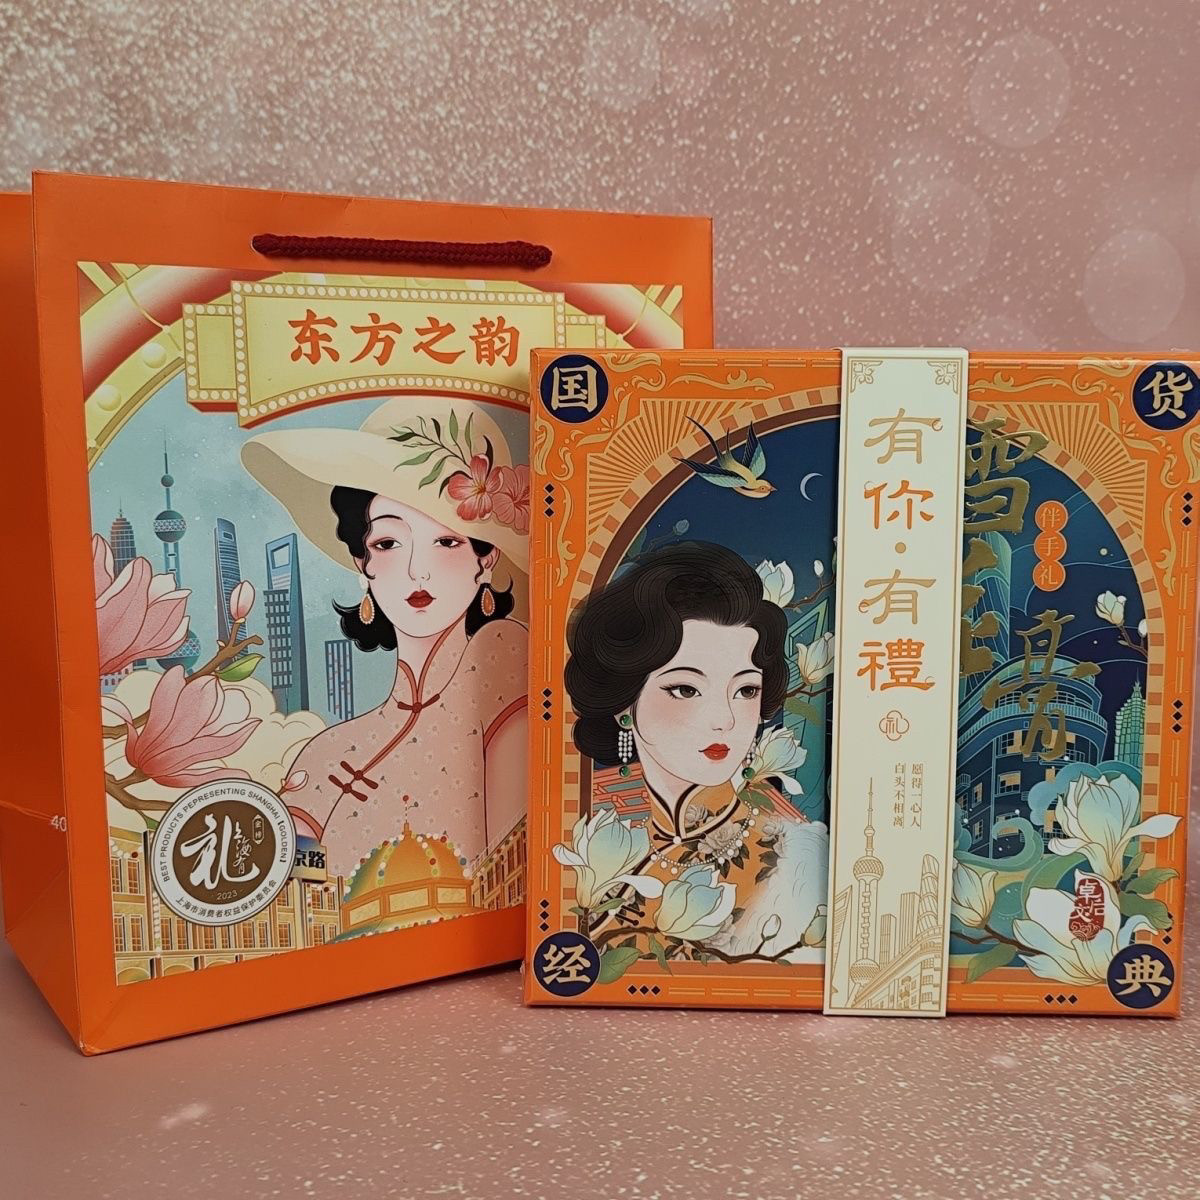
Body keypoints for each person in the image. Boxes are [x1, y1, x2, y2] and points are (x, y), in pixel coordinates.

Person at [241, 396, 528, 879]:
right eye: (388, 543)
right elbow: (291, 891)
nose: (418, 571)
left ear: (486, 558)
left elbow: (507, 867)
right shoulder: (326, 754)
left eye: (447, 541)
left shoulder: (502, 661)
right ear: (363, 562)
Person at [564, 541, 827, 960]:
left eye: (746, 690)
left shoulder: (796, 858)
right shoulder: (585, 834)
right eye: (686, 689)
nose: (724, 719)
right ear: (624, 703)